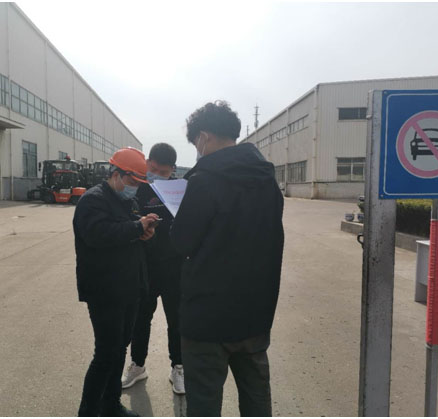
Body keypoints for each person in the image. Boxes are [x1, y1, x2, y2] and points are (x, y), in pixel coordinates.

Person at [170, 101, 284, 417]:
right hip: (255, 314)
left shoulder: (204, 181)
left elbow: (181, 242)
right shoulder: (267, 180)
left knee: (204, 404)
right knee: (257, 398)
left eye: (196, 143)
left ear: (204, 137)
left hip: (208, 319)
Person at [73, 147, 159, 417]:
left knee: (119, 348)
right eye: (133, 181)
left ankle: (111, 405)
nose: (135, 188)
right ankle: (88, 411)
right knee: (106, 353)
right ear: (116, 174)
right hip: (105, 290)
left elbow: (127, 230)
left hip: (129, 287)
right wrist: (136, 227)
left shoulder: (125, 201)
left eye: (140, 183)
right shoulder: (93, 200)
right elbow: (98, 234)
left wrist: (144, 233)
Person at [121, 143, 185, 394]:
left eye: (163, 172)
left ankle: (178, 366)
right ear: (147, 163)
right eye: (153, 169)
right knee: (141, 319)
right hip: (145, 266)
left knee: (176, 320)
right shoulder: (137, 188)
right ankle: (138, 365)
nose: (156, 175)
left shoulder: (180, 191)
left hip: (174, 266)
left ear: (173, 170)